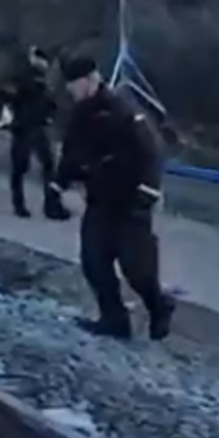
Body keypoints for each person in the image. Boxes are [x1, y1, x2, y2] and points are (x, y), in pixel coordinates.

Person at [57, 55, 174, 340]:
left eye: (75, 85)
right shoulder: (79, 116)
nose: (71, 91)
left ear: (91, 80)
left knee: (137, 268)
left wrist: (148, 193)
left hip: (131, 199)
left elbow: (151, 153)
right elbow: (71, 153)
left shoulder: (122, 110)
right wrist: (59, 186)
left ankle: (159, 305)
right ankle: (114, 320)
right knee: (94, 261)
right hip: (100, 198)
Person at [0, 47, 71, 221]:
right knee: (26, 167)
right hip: (25, 127)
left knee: (42, 166)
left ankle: (44, 204)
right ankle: (29, 205)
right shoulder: (27, 77)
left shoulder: (40, 78)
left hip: (33, 126)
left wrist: (49, 113)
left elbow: (44, 101)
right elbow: (13, 96)